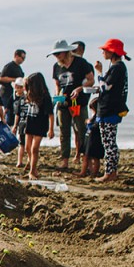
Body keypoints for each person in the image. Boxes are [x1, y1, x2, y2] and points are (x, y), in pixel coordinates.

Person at [46, 40, 94, 170]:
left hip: (78, 103)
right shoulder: (56, 66)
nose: (56, 57)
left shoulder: (81, 63)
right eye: (54, 55)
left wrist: (79, 89)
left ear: (66, 51)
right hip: (63, 104)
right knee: (64, 132)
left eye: (58, 53)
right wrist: (58, 96)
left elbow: (91, 80)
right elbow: (57, 84)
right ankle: (65, 161)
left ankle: (86, 162)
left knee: (82, 132)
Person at [93, 38, 130, 183]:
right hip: (111, 108)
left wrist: (100, 72)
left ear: (112, 52)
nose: (102, 52)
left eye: (105, 50)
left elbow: (105, 87)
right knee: (109, 142)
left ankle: (110, 172)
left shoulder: (117, 68)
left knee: (108, 142)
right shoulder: (118, 67)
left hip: (109, 110)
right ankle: (111, 171)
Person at [22, 72, 55, 179]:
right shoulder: (30, 94)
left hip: (40, 124)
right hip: (30, 122)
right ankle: (33, 167)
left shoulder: (45, 97)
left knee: (34, 148)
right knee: (27, 147)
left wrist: (51, 129)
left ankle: (32, 170)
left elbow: (50, 114)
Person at [0, 49, 26, 126]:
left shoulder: (19, 68)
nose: (23, 60)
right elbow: (1, 78)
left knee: (15, 112)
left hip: (16, 94)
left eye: (24, 58)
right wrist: (15, 79)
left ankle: (13, 130)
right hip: (6, 93)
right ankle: (6, 129)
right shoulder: (9, 66)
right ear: (16, 56)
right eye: (22, 57)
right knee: (8, 113)